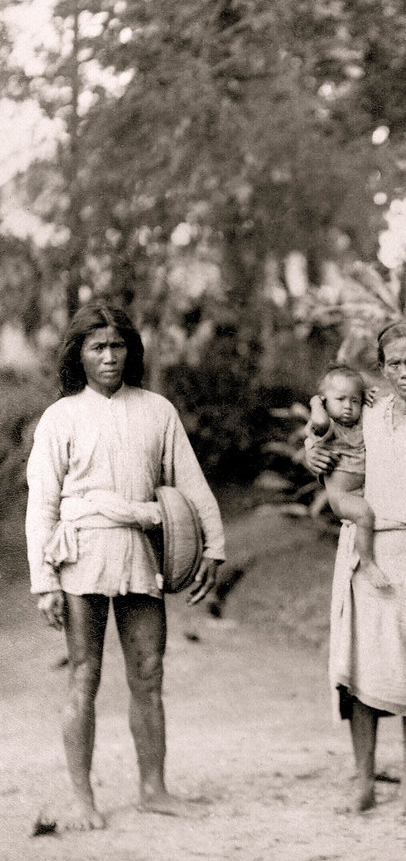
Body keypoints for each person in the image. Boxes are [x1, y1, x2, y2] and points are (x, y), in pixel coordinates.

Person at [25, 302, 224, 831]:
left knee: (148, 672)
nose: (110, 357)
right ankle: (82, 797)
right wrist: (44, 582)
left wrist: (214, 547)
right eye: (98, 348)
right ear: (79, 355)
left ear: (131, 351)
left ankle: (154, 788)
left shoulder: (157, 410)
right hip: (80, 554)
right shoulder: (61, 417)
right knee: (84, 675)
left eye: (118, 347)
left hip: (139, 550)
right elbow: (42, 504)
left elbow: (192, 483)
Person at [307, 321, 406, 814]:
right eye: (393, 364)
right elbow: (330, 441)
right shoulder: (369, 416)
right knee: (361, 668)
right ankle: (363, 781)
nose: (404, 372)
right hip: (363, 553)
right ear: (382, 368)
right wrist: (312, 451)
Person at [306, 364, 389, 590]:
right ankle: (367, 562)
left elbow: (380, 400)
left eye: (354, 401)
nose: (348, 407)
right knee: (363, 514)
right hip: (343, 496)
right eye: (340, 399)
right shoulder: (328, 427)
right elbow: (320, 422)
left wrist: (366, 394)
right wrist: (316, 403)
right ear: (325, 401)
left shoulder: (360, 422)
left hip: (363, 490)